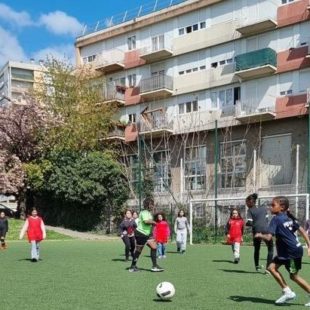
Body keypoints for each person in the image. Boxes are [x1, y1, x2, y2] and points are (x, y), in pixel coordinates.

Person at [255, 196, 310, 305]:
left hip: (291, 253)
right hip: (289, 251)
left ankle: (290, 292)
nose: (271, 207)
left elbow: (269, 237)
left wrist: (260, 235)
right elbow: (302, 231)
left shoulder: (276, 219)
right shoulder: (289, 218)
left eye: (273, 205)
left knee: (294, 276)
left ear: (282, 207)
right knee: (271, 268)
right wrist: (309, 245)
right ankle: (287, 291)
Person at [129, 198, 164, 272]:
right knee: (138, 251)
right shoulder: (144, 212)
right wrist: (154, 223)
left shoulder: (148, 213)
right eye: (151, 204)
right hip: (141, 234)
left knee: (154, 247)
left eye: (153, 204)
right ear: (147, 205)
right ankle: (132, 267)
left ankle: (154, 266)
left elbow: (149, 222)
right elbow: (146, 221)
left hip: (146, 234)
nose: (152, 206)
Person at [246, 193, 274, 273]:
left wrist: (247, 223)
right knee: (270, 249)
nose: (246, 204)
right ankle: (268, 269)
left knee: (257, 249)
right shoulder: (263, 209)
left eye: (246, 202)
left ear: (249, 202)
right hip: (266, 230)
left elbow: (250, 223)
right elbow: (267, 220)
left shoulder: (250, 210)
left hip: (256, 231)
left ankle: (257, 267)